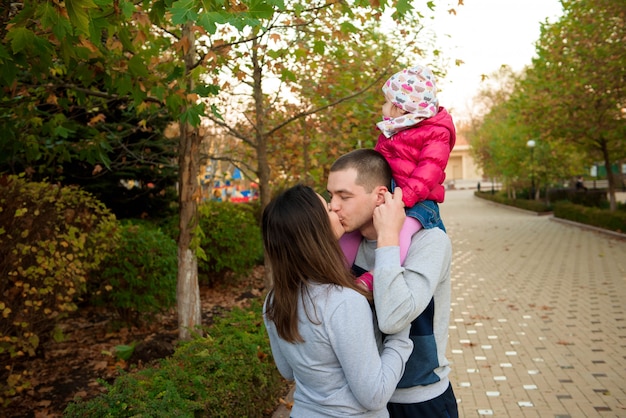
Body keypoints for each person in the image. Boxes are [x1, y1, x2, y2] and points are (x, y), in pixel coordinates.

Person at [262, 184, 414, 418]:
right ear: (315, 233)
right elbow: (374, 396)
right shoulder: (342, 303)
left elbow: (289, 371)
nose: (336, 208)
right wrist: (400, 336)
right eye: (328, 210)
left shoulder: (273, 301)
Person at [327, 149, 458, 418]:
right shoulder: (345, 245)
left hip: (417, 400)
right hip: (357, 401)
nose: (333, 206)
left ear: (379, 196)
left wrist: (388, 237)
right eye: (331, 195)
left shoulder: (429, 242)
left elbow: (392, 318)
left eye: (344, 196)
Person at [340, 64, 456, 291]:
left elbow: (429, 170)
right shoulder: (393, 130)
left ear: (401, 109)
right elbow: (377, 163)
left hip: (419, 202)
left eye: (385, 102)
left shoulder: (436, 132)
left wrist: (404, 199)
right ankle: (336, 269)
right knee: (354, 224)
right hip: (392, 194)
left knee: (400, 232)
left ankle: (375, 277)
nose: (382, 107)